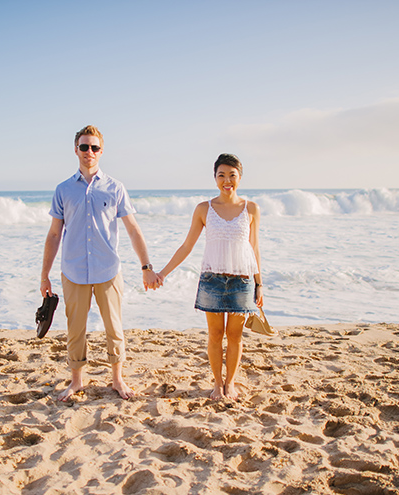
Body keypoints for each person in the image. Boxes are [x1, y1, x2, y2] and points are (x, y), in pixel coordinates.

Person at [41, 125, 161, 401]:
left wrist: (146, 267)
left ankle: (117, 380)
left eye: (94, 147)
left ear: (101, 151)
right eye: (84, 147)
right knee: (75, 329)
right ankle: (76, 381)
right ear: (76, 150)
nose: (89, 152)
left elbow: (133, 229)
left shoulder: (115, 187)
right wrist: (44, 276)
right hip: (73, 270)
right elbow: (54, 233)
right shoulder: (63, 190)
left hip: (108, 270)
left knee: (114, 328)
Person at [157, 154, 263, 400]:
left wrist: (259, 284)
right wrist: (163, 272)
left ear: (240, 177)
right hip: (212, 280)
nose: (227, 181)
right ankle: (217, 384)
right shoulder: (204, 209)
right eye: (221, 175)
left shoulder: (252, 209)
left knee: (235, 336)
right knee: (215, 335)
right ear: (215, 178)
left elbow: (255, 248)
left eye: (232, 175)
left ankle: (231, 384)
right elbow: (186, 246)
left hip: (242, 281)